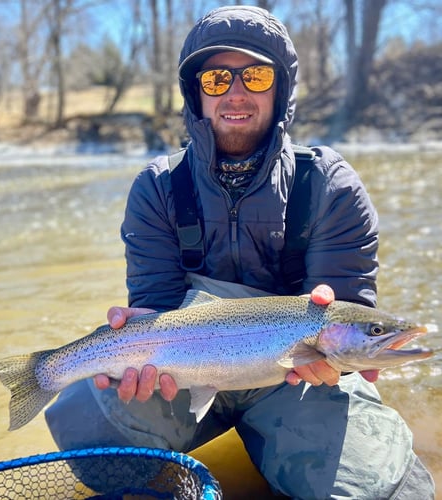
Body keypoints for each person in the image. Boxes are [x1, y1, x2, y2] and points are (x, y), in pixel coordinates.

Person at [45, 5, 435, 498]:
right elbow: (159, 305)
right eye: (216, 80)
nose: (235, 92)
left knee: (377, 487)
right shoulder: (158, 187)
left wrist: (344, 350)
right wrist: (137, 354)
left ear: (280, 90)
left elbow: (351, 300)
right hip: (184, 366)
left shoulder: (330, 187)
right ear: (196, 93)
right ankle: (51, 378)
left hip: (299, 381)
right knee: (88, 420)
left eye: (255, 75)